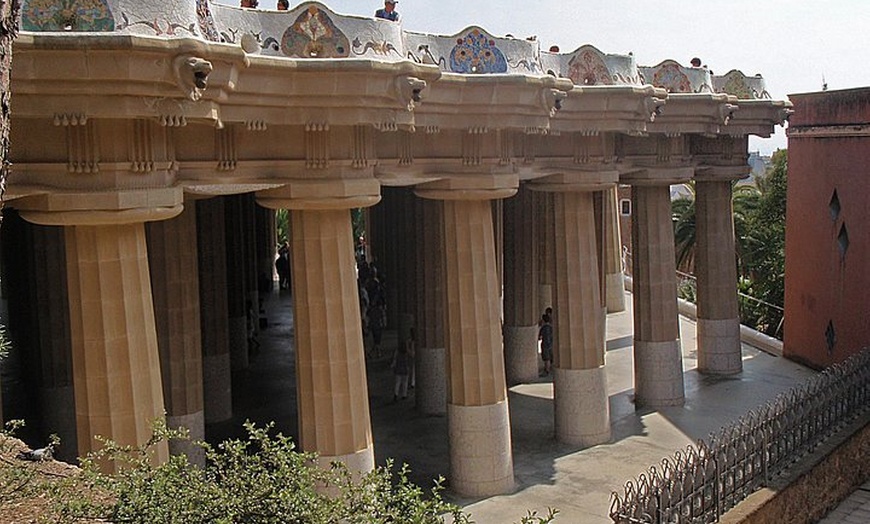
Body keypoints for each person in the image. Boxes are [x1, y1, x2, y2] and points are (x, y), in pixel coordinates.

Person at [538, 313, 553, 377]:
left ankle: (547, 370)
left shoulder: (543, 328)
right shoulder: (551, 327)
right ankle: (548, 369)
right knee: (549, 357)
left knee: (546, 358)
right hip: (551, 344)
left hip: (545, 344)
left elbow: (540, 337)